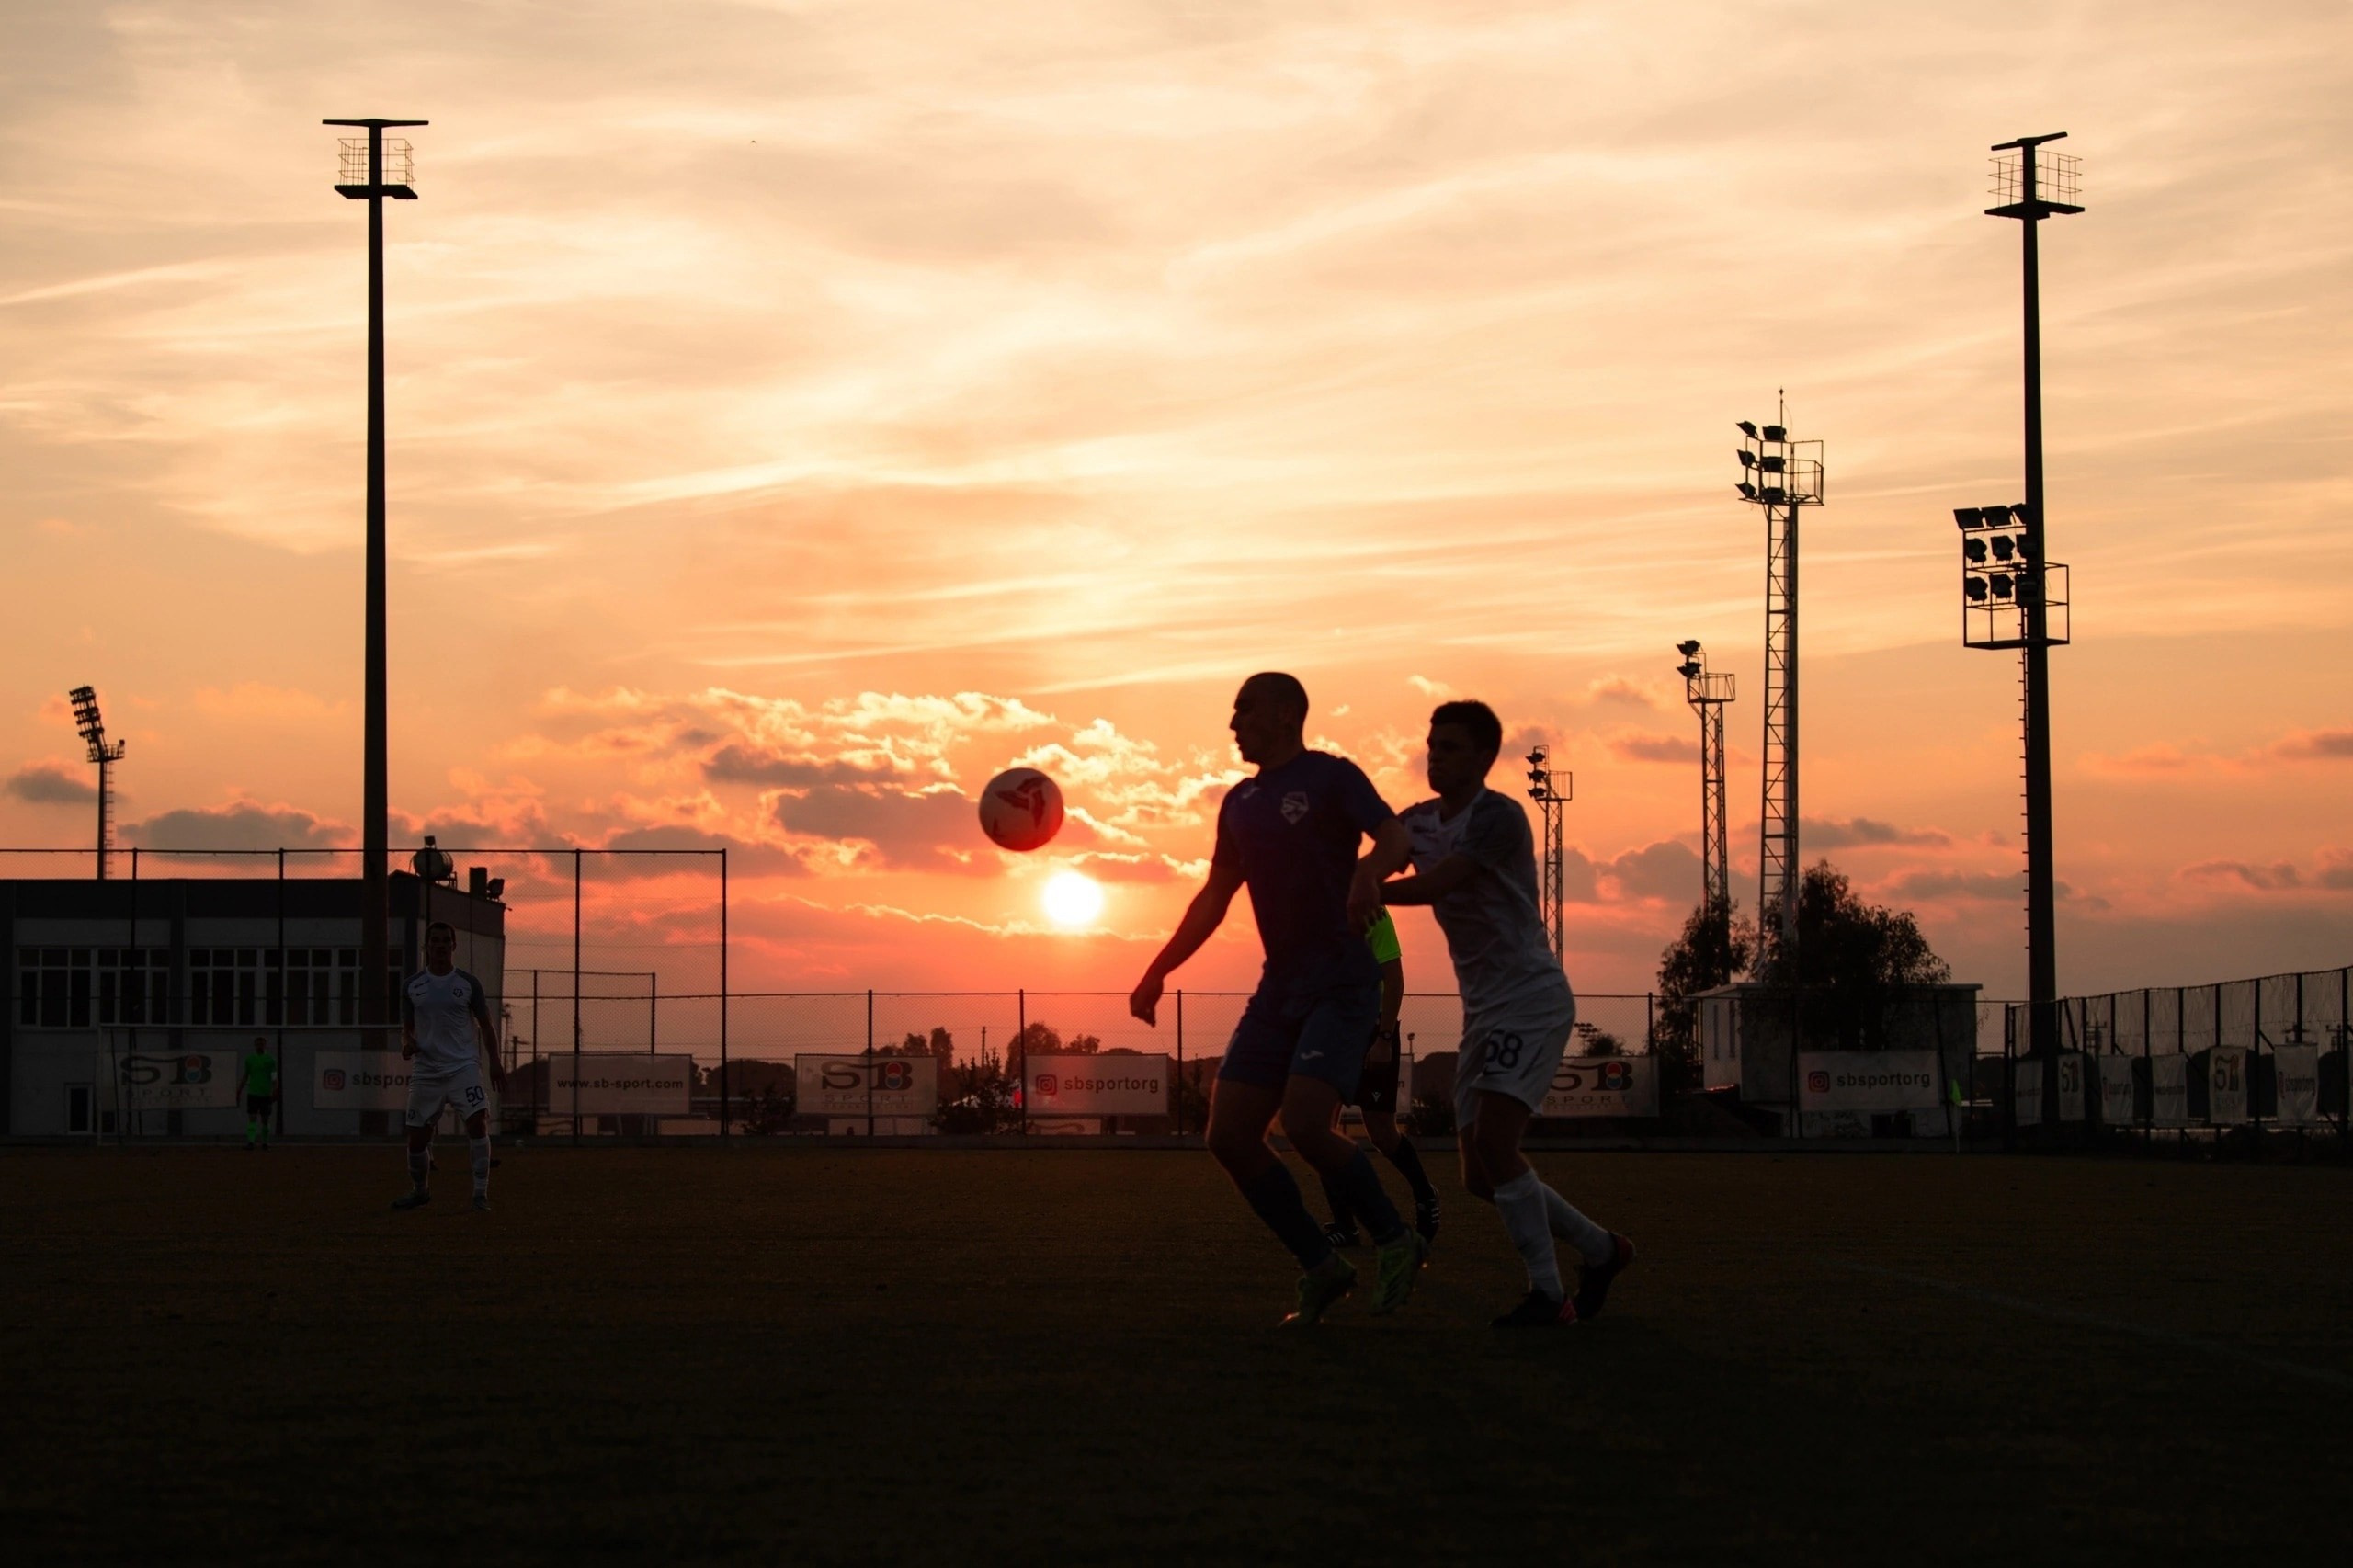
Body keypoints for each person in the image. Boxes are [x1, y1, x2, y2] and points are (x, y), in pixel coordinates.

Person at [1130, 672, 1426, 1324]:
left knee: (1303, 1123)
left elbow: (1396, 838)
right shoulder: (1238, 803)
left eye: (1245, 710)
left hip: (1344, 982)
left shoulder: (1331, 777)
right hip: (1280, 987)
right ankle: (1322, 1266)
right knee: (1228, 1135)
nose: (1234, 723)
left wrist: (1367, 874)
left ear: (1287, 715)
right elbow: (1214, 898)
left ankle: (1395, 1239)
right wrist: (1157, 970)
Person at [1380, 699, 1635, 1328]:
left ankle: (1548, 1297)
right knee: (1479, 1175)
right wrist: (1344, 869)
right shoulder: (1416, 819)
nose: (1435, 755)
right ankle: (1603, 1251)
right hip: (1485, 1011)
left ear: (1485, 757)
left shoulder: (1498, 818)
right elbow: (1379, 850)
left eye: (1452, 746)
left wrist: (1360, 891)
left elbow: (1439, 884)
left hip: (1530, 998)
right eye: (1433, 744)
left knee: (1497, 1144)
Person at [1317, 908, 1440, 1253]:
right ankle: (1345, 1226)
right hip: (1333, 1033)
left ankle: (1425, 1195)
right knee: (1319, 1130)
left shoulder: (1372, 913)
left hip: (1371, 1031)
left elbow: (1395, 980)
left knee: (1382, 1133)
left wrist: (1384, 1038)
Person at [392, 920, 505, 1212]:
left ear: (453, 946)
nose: (440, 945)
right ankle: (420, 1191)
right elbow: (407, 1027)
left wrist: (495, 1063)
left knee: (478, 1123)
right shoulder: (413, 986)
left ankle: (480, 1194)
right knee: (417, 1140)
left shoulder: (467, 984)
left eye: (445, 940)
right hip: (427, 1070)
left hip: (462, 1067)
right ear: (427, 946)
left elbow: (487, 1026)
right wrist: (408, 1042)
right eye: (435, 941)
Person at [240, 1035, 278, 1151]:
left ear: (265, 1045)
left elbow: (274, 1078)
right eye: (258, 1044)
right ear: (255, 1045)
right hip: (253, 1093)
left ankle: (265, 1143)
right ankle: (251, 1142)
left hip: (266, 1094)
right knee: (252, 1117)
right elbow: (246, 1075)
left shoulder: (270, 1060)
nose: (260, 1046)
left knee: (265, 1119)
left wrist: (275, 1090)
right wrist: (239, 1089)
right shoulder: (249, 1059)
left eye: (262, 1044)